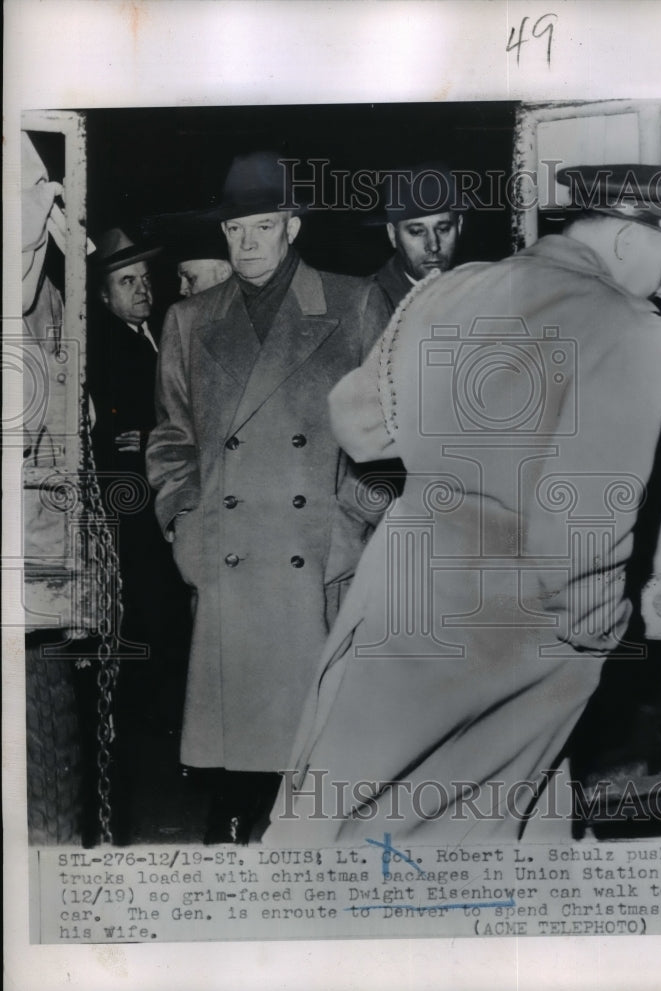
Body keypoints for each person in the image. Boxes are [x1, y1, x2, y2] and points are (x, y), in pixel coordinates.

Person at [264, 162, 661, 846]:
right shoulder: (637, 335)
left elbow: (358, 426)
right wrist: (593, 639)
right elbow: (586, 528)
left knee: (339, 815)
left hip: (399, 584)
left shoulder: (453, 288)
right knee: (477, 845)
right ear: (626, 239)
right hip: (512, 626)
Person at [145, 151, 392, 843]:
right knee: (238, 766)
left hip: (316, 558)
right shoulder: (189, 321)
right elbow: (171, 437)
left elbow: (389, 436)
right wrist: (184, 522)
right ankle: (233, 822)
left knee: (318, 765)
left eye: (260, 227)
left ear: (292, 226)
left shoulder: (352, 303)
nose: (246, 243)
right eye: (234, 231)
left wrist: (353, 528)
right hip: (225, 556)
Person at [88, 230, 192, 751]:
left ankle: (158, 720)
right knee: (149, 610)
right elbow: (113, 431)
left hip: (159, 492)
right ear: (104, 297)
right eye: (126, 282)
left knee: (163, 610)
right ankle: (147, 726)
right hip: (133, 502)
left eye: (145, 279)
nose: (141, 289)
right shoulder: (107, 347)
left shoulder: (156, 333)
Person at [373, 163, 463, 310]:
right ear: (392, 234)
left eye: (443, 229)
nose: (433, 246)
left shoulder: (485, 289)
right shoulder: (368, 305)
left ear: (459, 226)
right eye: (416, 231)